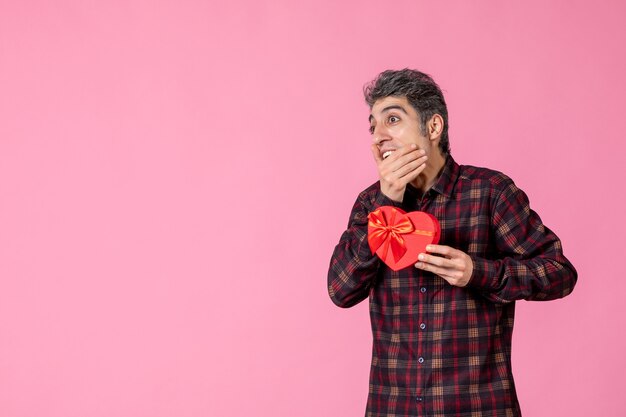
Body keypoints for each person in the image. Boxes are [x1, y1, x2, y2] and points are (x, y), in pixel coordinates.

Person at [327, 69, 577, 416]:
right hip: (393, 407)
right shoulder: (371, 204)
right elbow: (341, 290)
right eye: (373, 126)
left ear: (433, 127)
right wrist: (388, 203)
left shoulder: (489, 193)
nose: (379, 137)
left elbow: (559, 273)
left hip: (477, 407)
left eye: (393, 120)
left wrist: (479, 273)